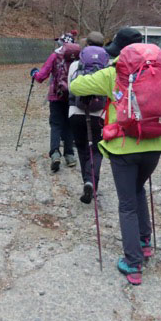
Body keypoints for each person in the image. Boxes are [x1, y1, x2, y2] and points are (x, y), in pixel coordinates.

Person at [69, 27, 161, 286]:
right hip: (154, 144)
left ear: (120, 51)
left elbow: (76, 86)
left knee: (126, 203)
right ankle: (144, 242)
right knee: (138, 189)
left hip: (123, 148)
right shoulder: (159, 72)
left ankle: (132, 263)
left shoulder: (113, 74)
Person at [68, 31, 107, 204]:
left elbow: (71, 88)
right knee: (97, 150)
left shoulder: (75, 65)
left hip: (76, 112)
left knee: (82, 148)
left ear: (86, 45)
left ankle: (86, 181)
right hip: (100, 114)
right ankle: (92, 181)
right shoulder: (108, 66)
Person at [32, 30, 79, 172]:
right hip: (73, 95)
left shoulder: (55, 55)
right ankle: (70, 155)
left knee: (56, 124)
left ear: (60, 42)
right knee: (69, 124)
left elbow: (41, 77)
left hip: (56, 96)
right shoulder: (78, 56)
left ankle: (55, 153)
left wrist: (34, 73)